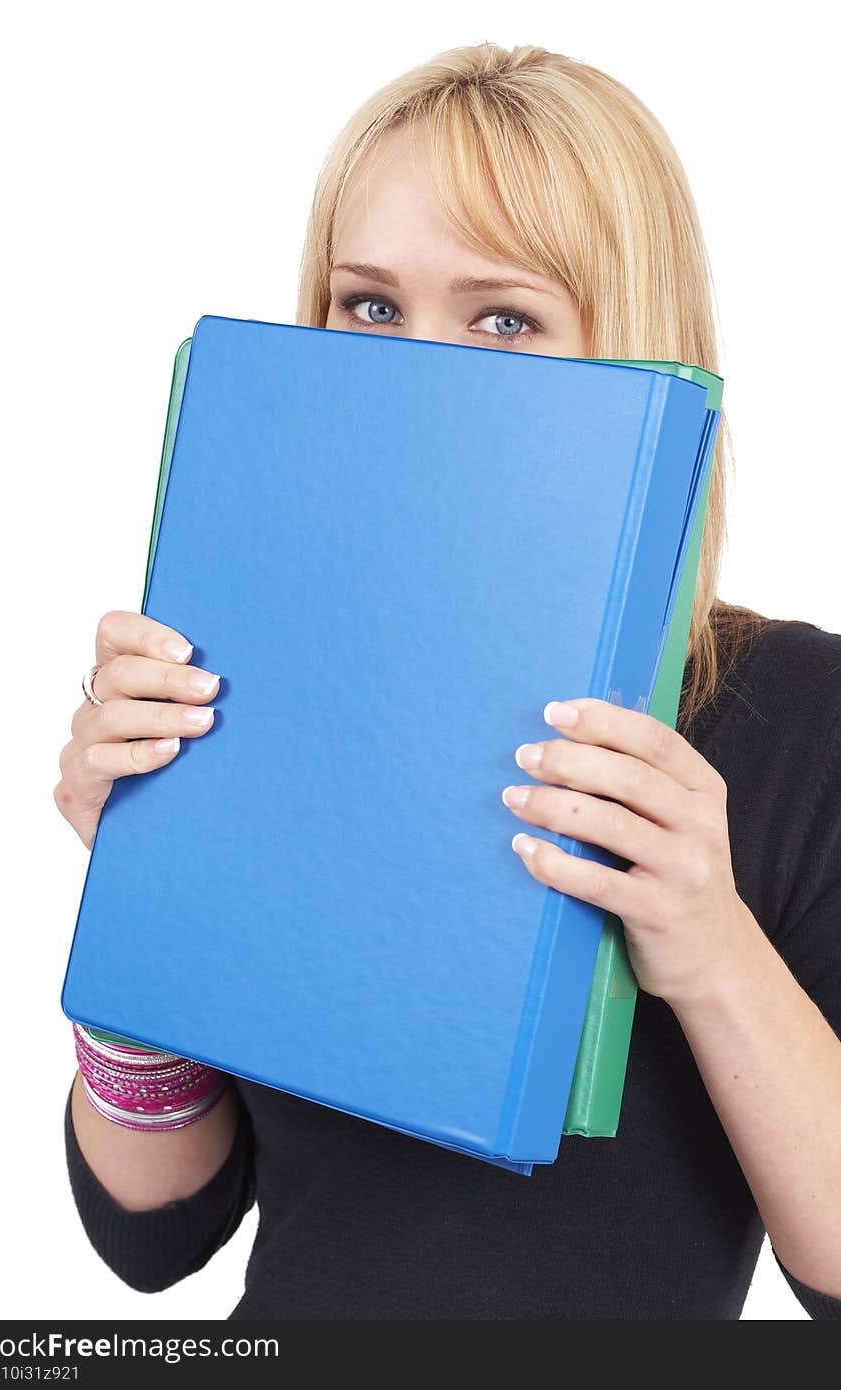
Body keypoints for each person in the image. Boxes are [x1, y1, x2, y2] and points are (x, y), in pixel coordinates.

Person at [55, 41, 841, 1319]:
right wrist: (139, 898)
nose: (419, 362)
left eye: (503, 316)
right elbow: (154, 1231)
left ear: (626, 343)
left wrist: (705, 943)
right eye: (369, 305)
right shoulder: (247, 666)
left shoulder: (798, 713)